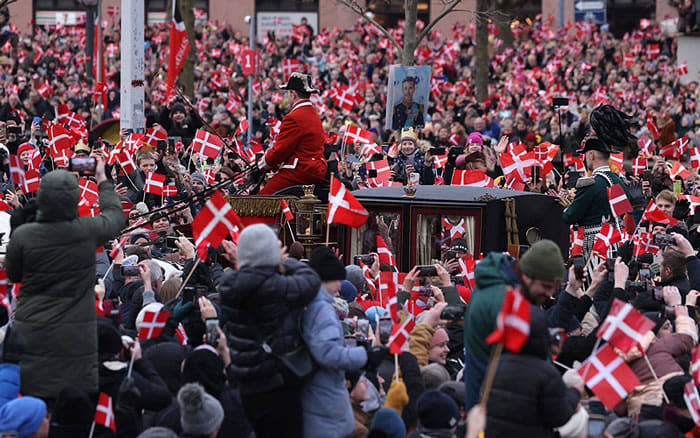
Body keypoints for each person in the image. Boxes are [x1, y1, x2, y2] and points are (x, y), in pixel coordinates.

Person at [5, 154, 125, 403]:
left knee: (36, 409)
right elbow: (115, 216)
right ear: (74, 198)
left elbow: (14, 275)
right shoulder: (86, 230)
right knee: (73, 411)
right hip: (77, 340)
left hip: (32, 333)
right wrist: (102, 178)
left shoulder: (23, 236)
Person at [218, 224, 321, 438]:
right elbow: (310, 281)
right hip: (275, 381)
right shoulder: (271, 286)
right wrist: (284, 261)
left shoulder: (230, 284)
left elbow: (251, 275)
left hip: (247, 378)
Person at [464, 239, 564, 410]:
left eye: (553, 288)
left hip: (488, 400)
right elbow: (530, 367)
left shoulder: (501, 287)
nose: (549, 294)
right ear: (528, 276)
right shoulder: (504, 303)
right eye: (546, 286)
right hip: (498, 408)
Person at [257, 72, 327, 195]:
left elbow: (280, 151)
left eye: (287, 93)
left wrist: (261, 166)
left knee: (263, 198)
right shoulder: (313, 114)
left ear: (293, 94)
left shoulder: (294, 117)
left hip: (300, 170)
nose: (286, 97)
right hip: (316, 169)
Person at [562, 135, 630, 262]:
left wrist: (565, 207)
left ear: (591, 155)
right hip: (615, 241)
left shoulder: (590, 184)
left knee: (594, 280)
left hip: (596, 245)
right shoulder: (619, 181)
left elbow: (570, 216)